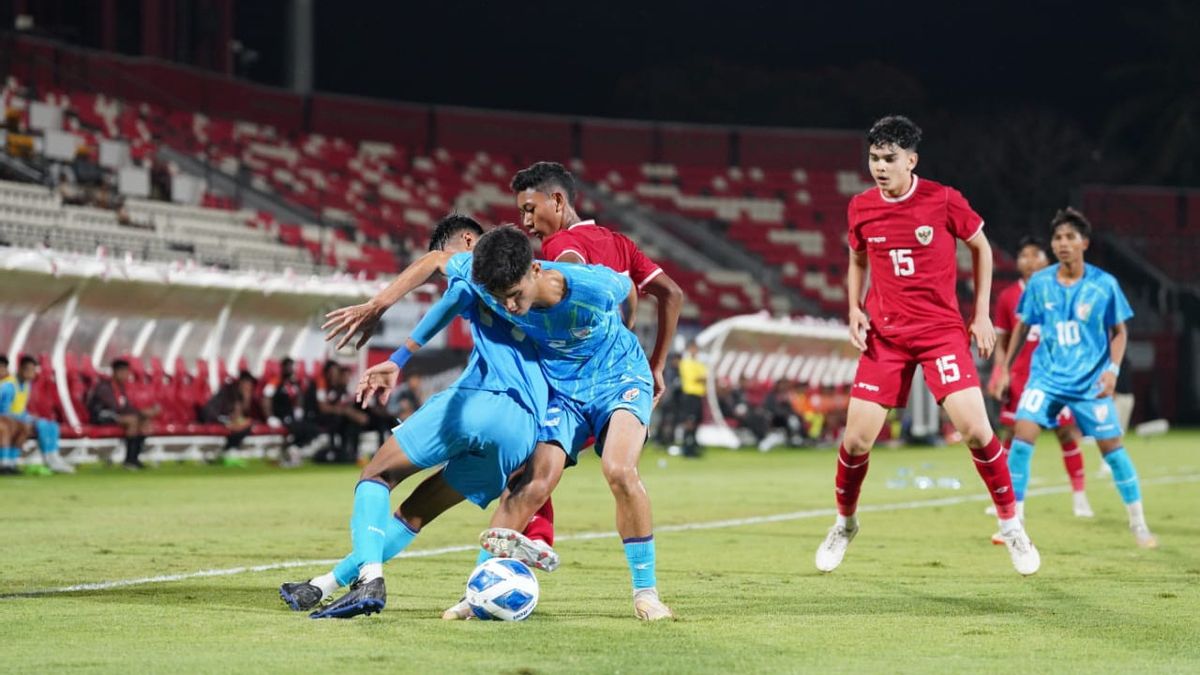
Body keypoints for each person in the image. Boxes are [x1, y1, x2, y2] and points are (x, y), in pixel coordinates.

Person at [324, 225, 675, 621]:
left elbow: (626, 287)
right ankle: (481, 588)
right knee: (530, 486)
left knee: (618, 468)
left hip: (620, 378)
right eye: (500, 298)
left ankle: (646, 593)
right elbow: (435, 261)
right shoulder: (492, 280)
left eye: (515, 295)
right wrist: (377, 306)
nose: (509, 306)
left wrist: (625, 333)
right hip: (563, 393)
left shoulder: (591, 285)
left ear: (535, 272)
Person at [281, 215, 551, 619]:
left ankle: (370, 577)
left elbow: (434, 265)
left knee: (376, 476)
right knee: (415, 512)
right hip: (523, 431)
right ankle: (325, 584)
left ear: (468, 241)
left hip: (480, 402)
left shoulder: (475, 266)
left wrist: (382, 321)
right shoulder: (543, 286)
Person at [814, 115, 1039, 576]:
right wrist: (855, 307)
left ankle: (1012, 525)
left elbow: (983, 249)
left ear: (911, 161)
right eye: (874, 158)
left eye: (889, 159)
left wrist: (979, 314)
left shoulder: (943, 200)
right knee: (855, 441)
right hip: (887, 336)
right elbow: (857, 257)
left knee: (977, 432)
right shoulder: (860, 207)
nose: (879, 166)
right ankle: (844, 523)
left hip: (940, 333)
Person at [509, 161, 686, 551]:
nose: (525, 220)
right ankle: (526, 555)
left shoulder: (558, 246)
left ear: (556, 201)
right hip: (624, 376)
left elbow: (569, 274)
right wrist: (657, 365)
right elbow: (672, 294)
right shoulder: (620, 243)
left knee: (520, 457)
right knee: (616, 472)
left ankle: (532, 545)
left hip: (577, 381)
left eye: (529, 208)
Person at [996, 208, 1156, 548]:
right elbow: (1023, 326)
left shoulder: (1104, 285)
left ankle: (1138, 522)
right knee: (1022, 437)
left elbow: (1119, 333)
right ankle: (1014, 524)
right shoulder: (1040, 283)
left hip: (1088, 383)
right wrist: (1005, 368)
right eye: (1058, 238)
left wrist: (1112, 371)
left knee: (1112, 448)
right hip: (1046, 377)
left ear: (1085, 242)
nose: (1063, 244)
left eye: (1070, 237)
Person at [989, 236, 1091, 518]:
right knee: (1012, 435)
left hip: (1057, 376)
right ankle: (1007, 502)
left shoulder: (1062, 290)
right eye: (1024, 255)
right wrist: (1001, 373)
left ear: (1047, 260)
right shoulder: (1008, 296)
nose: (1029, 260)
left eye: (1036, 255)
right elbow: (1003, 342)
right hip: (1021, 377)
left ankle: (1080, 497)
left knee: (1067, 433)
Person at [0, 355, 74, 474]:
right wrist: (24, 418)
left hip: (16, 419)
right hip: (8, 420)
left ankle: (53, 455)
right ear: (20, 369)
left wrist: (27, 416)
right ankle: (6, 463)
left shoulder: (25, 385)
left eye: (34, 370)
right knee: (24, 426)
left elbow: (19, 408)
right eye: (29, 370)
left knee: (51, 425)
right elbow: (4, 410)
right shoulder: (8, 386)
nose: (32, 373)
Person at [86, 358, 158, 470]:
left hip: (117, 416)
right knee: (132, 420)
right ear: (116, 372)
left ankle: (135, 459)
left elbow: (126, 406)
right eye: (125, 372)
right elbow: (115, 407)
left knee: (144, 422)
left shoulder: (121, 387)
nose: (127, 375)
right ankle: (129, 460)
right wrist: (140, 413)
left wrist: (143, 414)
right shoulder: (104, 387)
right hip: (101, 416)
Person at [262, 357, 320, 465]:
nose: (290, 369)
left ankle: (293, 447)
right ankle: (289, 450)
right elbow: (266, 399)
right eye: (288, 366)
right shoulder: (275, 381)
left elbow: (299, 396)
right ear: (282, 368)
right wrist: (269, 417)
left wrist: (299, 410)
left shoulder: (294, 382)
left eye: (291, 366)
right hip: (280, 416)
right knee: (296, 429)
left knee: (312, 429)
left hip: (291, 415)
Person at [304, 361, 365, 464]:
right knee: (338, 420)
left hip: (334, 417)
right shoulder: (321, 383)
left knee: (352, 423)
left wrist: (353, 414)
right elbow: (323, 408)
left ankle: (351, 453)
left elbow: (344, 405)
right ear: (327, 372)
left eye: (336, 372)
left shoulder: (339, 387)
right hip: (315, 416)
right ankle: (335, 452)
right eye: (332, 372)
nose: (334, 375)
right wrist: (346, 412)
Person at [201, 371, 262, 467]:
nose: (250, 386)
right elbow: (225, 413)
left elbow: (244, 414)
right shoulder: (228, 392)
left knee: (247, 424)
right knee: (242, 426)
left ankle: (228, 452)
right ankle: (228, 452)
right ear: (242, 382)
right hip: (215, 417)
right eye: (248, 383)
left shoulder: (243, 395)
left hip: (226, 419)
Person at [674, 342, 707, 457]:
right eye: (693, 348)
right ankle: (687, 447)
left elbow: (705, 376)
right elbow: (696, 378)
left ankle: (692, 445)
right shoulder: (686, 363)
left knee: (697, 421)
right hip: (690, 394)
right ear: (689, 349)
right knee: (689, 421)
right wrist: (702, 377)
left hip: (698, 395)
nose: (695, 351)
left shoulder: (698, 363)